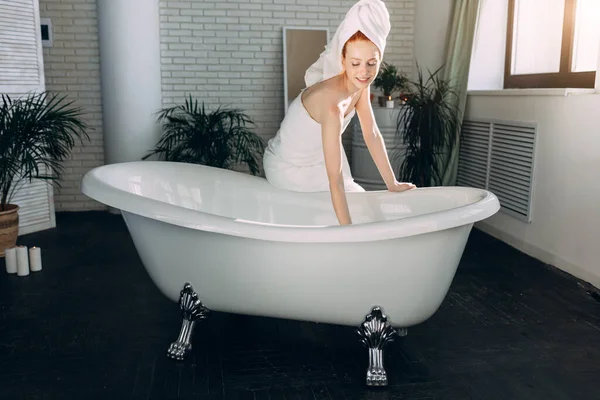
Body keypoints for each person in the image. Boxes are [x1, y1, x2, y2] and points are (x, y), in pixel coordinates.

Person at [263, 0, 416, 225]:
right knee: (352, 205)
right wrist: (348, 231)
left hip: (317, 157)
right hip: (289, 166)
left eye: (371, 63)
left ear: (379, 61)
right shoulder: (332, 105)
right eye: (355, 63)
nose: (364, 72)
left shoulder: (360, 85)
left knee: (359, 201)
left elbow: (372, 133)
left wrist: (391, 183)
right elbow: (334, 180)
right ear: (342, 61)